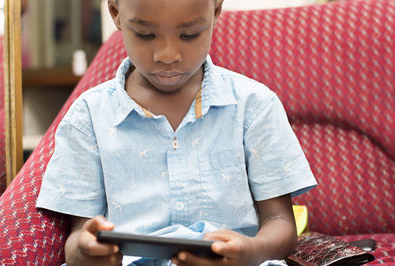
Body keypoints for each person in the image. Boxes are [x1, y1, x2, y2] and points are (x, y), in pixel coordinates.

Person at [36, 0, 317, 265]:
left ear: (216, 10)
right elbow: (77, 236)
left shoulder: (254, 106)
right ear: (115, 12)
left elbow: (280, 222)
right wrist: (85, 253)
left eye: (189, 34)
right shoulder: (89, 117)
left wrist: (250, 252)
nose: (168, 56)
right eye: (145, 34)